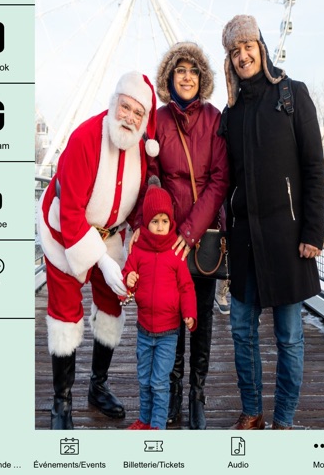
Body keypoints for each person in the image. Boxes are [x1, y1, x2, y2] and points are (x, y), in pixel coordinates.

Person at [219, 15, 324, 430]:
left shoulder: (292, 96)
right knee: (242, 331)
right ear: (229, 60)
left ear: (261, 47)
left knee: (290, 337)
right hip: (245, 239)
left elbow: (314, 168)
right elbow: (224, 177)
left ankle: (283, 418)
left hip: (287, 238)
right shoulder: (230, 113)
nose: (242, 55)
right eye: (234, 51)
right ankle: (252, 410)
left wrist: (312, 232)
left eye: (248, 46)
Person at [37, 72, 160, 429]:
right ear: (113, 102)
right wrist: (102, 261)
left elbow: (142, 201)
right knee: (65, 313)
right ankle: (61, 401)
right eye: (126, 106)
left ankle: (98, 385)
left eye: (139, 113)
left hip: (110, 233)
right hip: (65, 230)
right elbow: (71, 208)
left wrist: (136, 228)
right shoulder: (85, 138)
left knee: (111, 305)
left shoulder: (142, 147)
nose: (130, 117)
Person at [133, 42, 229, 429]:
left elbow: (220, 178)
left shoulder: (214, 118)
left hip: (200, 235)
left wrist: (190, 230)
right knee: (171, 316)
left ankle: (197, 395)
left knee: (201, 317)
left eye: (192, 70)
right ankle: (171, 392)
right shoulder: (157, 119)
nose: (186, 76)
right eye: (179, 70)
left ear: (201, 77)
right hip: (165, 239)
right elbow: (151, 175)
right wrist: (162, 226)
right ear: (169, 77)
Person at [123, 181, 197, 431]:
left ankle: (157, 426)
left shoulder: (175, 253)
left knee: (159, 381)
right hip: (144, 330)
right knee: (144, 379)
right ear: (146, 223)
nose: (160, 226)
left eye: (165, 221)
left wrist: (189, 313)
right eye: (155, 221)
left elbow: (186, 287)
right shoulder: (138, 251)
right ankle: (144, 419)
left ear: (171, 223)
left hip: (167, 333)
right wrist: (129, 280)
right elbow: (127, 277)